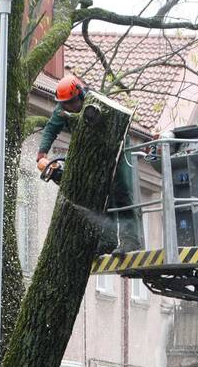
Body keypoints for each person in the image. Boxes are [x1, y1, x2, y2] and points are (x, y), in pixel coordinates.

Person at [35, 75, 142, 254]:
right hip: (95, 150)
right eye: (64, 104)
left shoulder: (96, 106)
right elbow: (51, 129)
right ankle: (107, 240)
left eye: (69, 102)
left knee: (120, 191)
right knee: (102, 194)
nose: (67, 107)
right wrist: (42, 153)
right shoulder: (62, 109)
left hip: (118, 147)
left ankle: (130, 240)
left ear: (80, 96)